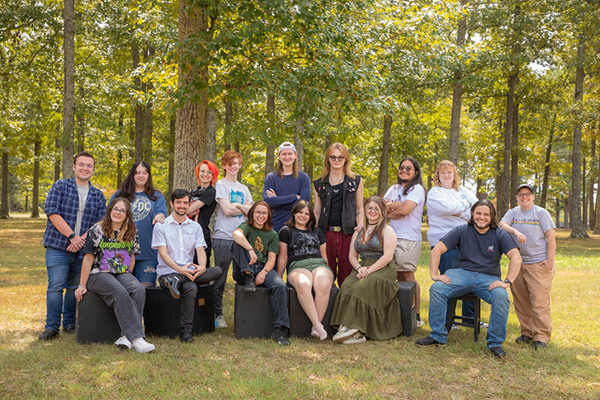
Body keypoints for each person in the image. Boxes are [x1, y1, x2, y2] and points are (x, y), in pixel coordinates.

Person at [416, 200, 522, 358]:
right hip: (462, 274)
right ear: (472, 214)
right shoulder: (462, 230)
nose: (482, 217)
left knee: (501, 296)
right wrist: (434, 274)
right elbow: (437, 250)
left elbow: (516, 257)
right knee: (437, 288)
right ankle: (437, 336)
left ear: (492, 216)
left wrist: (507, 282)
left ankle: (495, 343)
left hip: (488, 278)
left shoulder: (500, 234)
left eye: (486, 214)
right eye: (478, 213)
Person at [39, 151, 107, 340]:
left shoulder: (98, 195)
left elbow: (100, 222)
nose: (85, 168)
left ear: (93, 169)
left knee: (73, 287)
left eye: (89, 165)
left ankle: (69, 323)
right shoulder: (60, 186)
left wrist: (81, 240)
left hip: (83, 249)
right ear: (74, 166)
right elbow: (52, 212)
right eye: (82, 164)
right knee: (55, 286)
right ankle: (52, 327)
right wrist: (71, 236)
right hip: (58, 246)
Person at [74, 198, 155, 353]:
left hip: (121, 273)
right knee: (119, 291)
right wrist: (82, 285)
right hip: (98, 274)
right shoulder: (97, 230)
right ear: (110, 210)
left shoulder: (132, 230)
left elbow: (131, 257)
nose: (118, 213)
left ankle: (126, 335)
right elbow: (88, 258)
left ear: (127, 214)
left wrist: (128, 277)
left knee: (138, 288)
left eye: (122, 210)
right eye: (115, 209)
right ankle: (137, 338)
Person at [151, 189, 223, 342]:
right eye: (178, 202)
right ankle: (186, 332)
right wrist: (179, 270)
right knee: (192, 287)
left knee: (217, 271)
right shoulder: (161, 226)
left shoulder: (195, 227)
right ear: (172, 204)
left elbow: (200, 250)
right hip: (168, 273)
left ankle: (186, 331)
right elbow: (163, 254)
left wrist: (202, 266)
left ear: (189, 204)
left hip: (189, 273)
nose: (182, 206)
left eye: (185, 202)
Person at [330, 196, 402, 344]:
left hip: (382, 267)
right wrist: (359, 268)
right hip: (362, 266)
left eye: (376, 208)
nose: (372, 211)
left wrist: (369, 271)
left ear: (383, 211)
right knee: (347, 285)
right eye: (370, 208)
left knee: (362, 286)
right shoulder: (359, 231)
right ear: (365, 210)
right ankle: (354, 332)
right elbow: (352, 255)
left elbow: (388, 256)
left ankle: (352, 328)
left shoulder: (387, 230)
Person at [499, 184, 556, 350]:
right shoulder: (513, 213)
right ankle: (527, 332)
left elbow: (551, 237)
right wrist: (515, 232)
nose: (524, 197)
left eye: (527, 194)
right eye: (521, 195)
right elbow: (502, 224)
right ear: (517, 198)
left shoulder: (540, 213)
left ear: (533, 197)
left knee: (539, 302)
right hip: (518, 264)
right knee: (521, 301)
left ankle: (541, 336)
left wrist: (550, 262)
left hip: (538, 264)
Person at [426, 160, 479, 324]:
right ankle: (446, 319)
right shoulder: (435, 193)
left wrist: (461, 212)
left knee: (472, 276)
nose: (446, 175)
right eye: (443, 173)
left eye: (449, 172)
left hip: (467, 240)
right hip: (444, 242)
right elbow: (447, 209)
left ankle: (469, 318)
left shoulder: (463, 190)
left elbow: (477, 209)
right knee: (450, 279)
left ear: (455, 174)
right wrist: (465, 206)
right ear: (438, 175)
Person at [231, 201, 290, 345]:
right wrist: (250, 250)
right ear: (252, 213)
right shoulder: (246, 227)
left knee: (280, 286)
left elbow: (271, 259)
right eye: (258, 212)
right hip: (242, 269)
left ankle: (280, 329)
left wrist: (264, 272)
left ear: (268, 215)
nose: (260, 215)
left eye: (264, 213)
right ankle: (248, 275)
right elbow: (236, 234)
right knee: (237, 242)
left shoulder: (273, 234)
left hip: (262, 267)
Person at [277, 200, 333, 340]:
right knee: (303, 284)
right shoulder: (285, 231)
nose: (303, 215)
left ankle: (316, 327)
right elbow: (283, 257)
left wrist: (327, 271)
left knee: (323, 284)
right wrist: (278, 277)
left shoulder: (317, 232)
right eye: (300, 212)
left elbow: (324, 256)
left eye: (307, 213)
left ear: (311, 216)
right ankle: (318, 325)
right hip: (298, 266)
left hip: (319, 264)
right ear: (294, 213)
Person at [212, 150, 253, 328]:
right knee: (220, 278)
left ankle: (244, 314)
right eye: (230, 163)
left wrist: (235, 204)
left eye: (236, 163)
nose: (234, 166)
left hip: (241, 238)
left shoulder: (244, 188)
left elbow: (251, 212)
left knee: (243, 275)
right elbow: (227, 211)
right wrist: (242, 207)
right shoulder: (221, 184)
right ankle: (217, 314)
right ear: (224, 165)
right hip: (223, 238)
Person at [313, 142, 364, 286]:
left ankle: (345, 305)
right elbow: (317, 211)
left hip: (347, 233)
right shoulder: (319, 183)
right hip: (325, 233)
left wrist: (361, 226)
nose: (337, 160)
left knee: (346, 275)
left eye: (340, 157)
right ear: (328, 159)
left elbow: (359, 208)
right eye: (333, 157)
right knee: (326, 274)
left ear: (346, 159)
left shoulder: (355, 181)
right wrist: (314, 234)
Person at [110, 161, 167, 287]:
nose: (141, 176)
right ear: (132, 175)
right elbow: (108, 219)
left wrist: (159, 216)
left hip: (148, 252)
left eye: (144, 173)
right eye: (138, 173)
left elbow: (162, 215)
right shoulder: (119, 195)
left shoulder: (156, 196)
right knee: (122, 289)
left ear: (148, 176)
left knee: (145, 289)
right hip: (121, 250)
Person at [383, 157, 425, 327]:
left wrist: (388, 212)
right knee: (395, 275)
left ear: (415, 172)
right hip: (391, 236)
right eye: (402, 168)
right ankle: (401, 312)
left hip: (408, 238)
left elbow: (405, 211)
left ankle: (416, 316)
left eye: (409, 168)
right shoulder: (394, 188)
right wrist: (395, 204)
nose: (404, 171)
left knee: (407, 276)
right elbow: (380, 205)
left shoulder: (417, 189)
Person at [263, 142, 312, 233]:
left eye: (290, 154)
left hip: (297, 227)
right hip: (275, 227)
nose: (287, 157)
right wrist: (294, 197)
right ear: (279, 156)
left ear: (295, 156)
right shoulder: (271, 178)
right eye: (284, 154)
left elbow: (304, 205)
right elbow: (268, 202)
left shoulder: (303, 178)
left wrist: (277, 200)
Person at [187, 160, 219, 267]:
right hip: (187, 233)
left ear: (213, 175)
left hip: (201, 233)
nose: (205, 174)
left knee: (201, 267)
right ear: (198, 173)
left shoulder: (211, 192)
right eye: (202, 171)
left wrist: (189, 209)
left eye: (209, 172)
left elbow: (187, 211)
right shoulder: (193, 192)